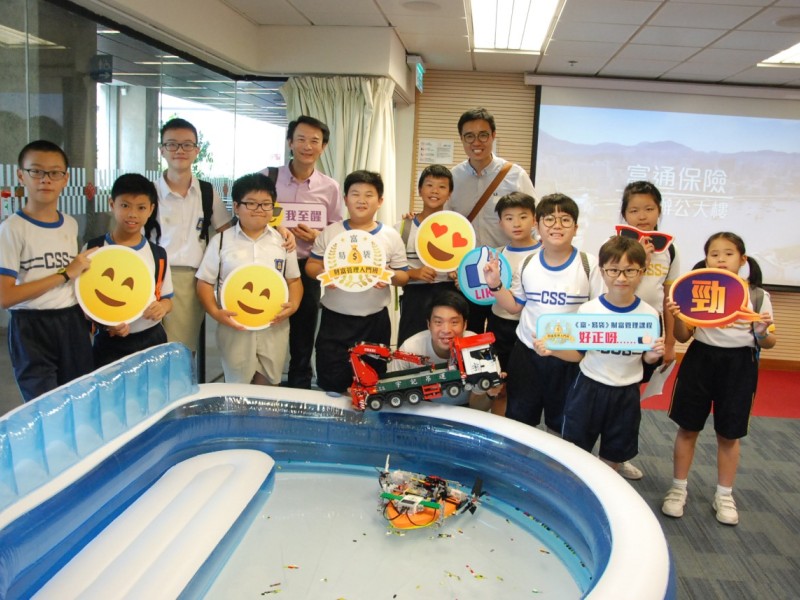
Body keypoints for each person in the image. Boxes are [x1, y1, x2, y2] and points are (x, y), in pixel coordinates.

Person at [661, 232, 776, 526]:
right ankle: (678, 488)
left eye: (728, 254)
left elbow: (769, 342)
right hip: (700, 361)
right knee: (688, 428)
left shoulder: (757, 296)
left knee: (729, 434)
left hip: (739, 366)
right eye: (714, 254)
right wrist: (678, 317)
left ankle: (724, 494)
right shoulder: (696, 290)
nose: (721, 259)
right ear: (706, 259)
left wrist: (762, 332)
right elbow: (683, 337)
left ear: (742, 259)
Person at [533, 236, 664, 474]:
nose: (621, 278)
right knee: (575, 451)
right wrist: (553, 350)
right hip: (588, 389)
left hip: (626, 393)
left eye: (630, 270)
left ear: (642, 272)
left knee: (613, 455)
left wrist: (653, 357)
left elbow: (646, 358)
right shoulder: (589, 310)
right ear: (602, 272)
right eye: (613, 270)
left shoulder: (650, 315)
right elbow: (579, 354)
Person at [483, 193, 605, 433]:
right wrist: (495, 284)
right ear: (538, 225)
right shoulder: (528, 262)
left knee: (562, 423)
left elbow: (598, 315)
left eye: (565, 220)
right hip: (527, 354)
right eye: (549, 219)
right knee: (519, 419)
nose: (557, 226)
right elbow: (515, 306)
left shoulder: (588, 264)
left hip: (568, 358)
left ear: (575, 227)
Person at [0, 140, 94, 401]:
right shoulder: (11, 229)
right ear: (21, 175)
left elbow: (75, 279)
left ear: (65, 179)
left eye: (54, 173)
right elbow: (5, 297)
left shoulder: (70, 225)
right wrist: (63, 274)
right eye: (36, 171)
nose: (45, 180)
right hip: (31, 327)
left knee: (79, 400)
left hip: (72, 322)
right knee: (45, 406)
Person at [305, 170, 409, 394]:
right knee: (332, 383)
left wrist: (388, 275)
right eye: (355, 194)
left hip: (375, 322)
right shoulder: (331, 232)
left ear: (380, 201)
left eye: (369, 195)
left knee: (371, 386)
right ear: (345, 199)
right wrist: (325, 273)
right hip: (335, 321)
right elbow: (311, 265)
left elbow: (404, 277)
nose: (362, 200)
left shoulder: (390, 236)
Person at [195, 173, 302, 385]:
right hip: (235, 326)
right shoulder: (221, 241)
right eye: (251, 203)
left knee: (268, 386)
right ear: (236, 206)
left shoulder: (283, 241)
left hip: (273, 326)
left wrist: (294, 304)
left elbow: (294, 280)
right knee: (237, 387)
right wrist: (215, 313)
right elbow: (204, 282)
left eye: (266, 204)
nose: (259, 209)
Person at [261, 115, 344, 389]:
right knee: (265, 327)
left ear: (323, 147)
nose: (307, 146)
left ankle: (300, 386)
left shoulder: (330, 187)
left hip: (307, 269)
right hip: (268, 267)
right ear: (289, 143)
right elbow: (251, 215)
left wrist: (318, 237)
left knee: (303, 335)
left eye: (314, 141)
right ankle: (263, 384)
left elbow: (337, 230)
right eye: (301, 139)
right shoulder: (267, 178)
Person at [446, 107, 538, 334]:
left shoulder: (515, 175)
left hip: (507, 275)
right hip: (468, 276)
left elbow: (533, 221)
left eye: (483, 135)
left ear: (493, 135)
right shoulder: (453, 177)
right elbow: (446, 224)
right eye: (469, 136)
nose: (476, 142)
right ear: (461, 138)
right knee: (470, 336)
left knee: (505, 333)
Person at [616, 180, 681, 481]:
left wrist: (670, 342)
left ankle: (619, 456)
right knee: (607, 390)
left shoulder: (670, 250)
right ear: (624, 214)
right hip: (617, 324)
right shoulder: (615, 246)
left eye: (649, 209)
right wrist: (637, 258)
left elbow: (669, 299)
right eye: (634, 210)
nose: (642, 216)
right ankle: (593, 453)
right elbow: (611, 286)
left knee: (630, 396)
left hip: (650, 327)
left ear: (659, 211)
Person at [152, 117, 233, 354]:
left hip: (189, 279)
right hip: (150, 275)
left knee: (181, 348)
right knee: (148, 346)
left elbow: (226, 234)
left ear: (197, 151)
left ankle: (180, 379)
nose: (180, 150)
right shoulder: (149, 192)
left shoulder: (206, 192)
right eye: (172, 144)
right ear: (162, 150)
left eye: (187, 145)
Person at [85, 174, 174, 367]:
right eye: (125, 205)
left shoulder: (158, 254)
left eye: (141, 207)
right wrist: (105, 324)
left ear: (151, 210)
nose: (133, 214)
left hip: (151, 339)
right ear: (112, 204)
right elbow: (83, 303)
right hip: (109, 342)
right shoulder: (93, 250)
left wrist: (162, 307)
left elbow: (167, 299)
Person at [390, 289, 496, 410]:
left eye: (454, 322)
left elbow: (478, 407)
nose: (446, 330)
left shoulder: (477, 347)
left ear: (465, 325)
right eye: (438, 322)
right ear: (429, 325)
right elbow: (393, 394)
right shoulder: (409, 348)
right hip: (422, 409)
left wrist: (490, 394)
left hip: (466, 411)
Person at [485, 192, 540, 414]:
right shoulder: (495, 256)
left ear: (534, 220)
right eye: (509, 218)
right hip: (499, 325)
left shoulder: (545, 254)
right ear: (500, 223)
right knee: (499, 384)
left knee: (525, 388)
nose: (516, 224)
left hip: (529, 328)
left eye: (523, 217)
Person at [395, 164, 457, 347]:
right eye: (429, 185)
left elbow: (467, 265)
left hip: (450, 296)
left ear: (450, 193)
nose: (435, 191)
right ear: (420, 190)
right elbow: (387, 269)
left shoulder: (458, 227)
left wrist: (458, 274)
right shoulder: (402, 228)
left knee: (448, 351)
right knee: (410, 351)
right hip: (415, 297)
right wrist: (412, 273)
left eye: (442, 187)